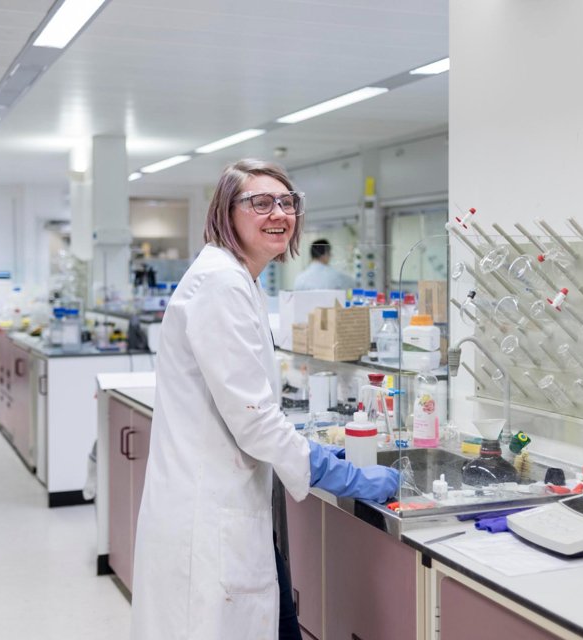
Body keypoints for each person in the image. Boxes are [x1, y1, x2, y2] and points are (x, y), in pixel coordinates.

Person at [130, 159, 399, 640]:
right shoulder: (221, 283)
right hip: (207, 514)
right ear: (226, 212)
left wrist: (314, 452)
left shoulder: (239, 278)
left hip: (218, 500)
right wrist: (337, 471)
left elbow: (246, 402)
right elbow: (254, 419)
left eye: (287, 202)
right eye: (260, 202)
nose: (278, 213)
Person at [291, 238, 356, 291]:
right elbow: (353, 285)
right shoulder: (337, 276)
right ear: (325, 254)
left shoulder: (300, 278)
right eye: (329, 253)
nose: (331, 256)